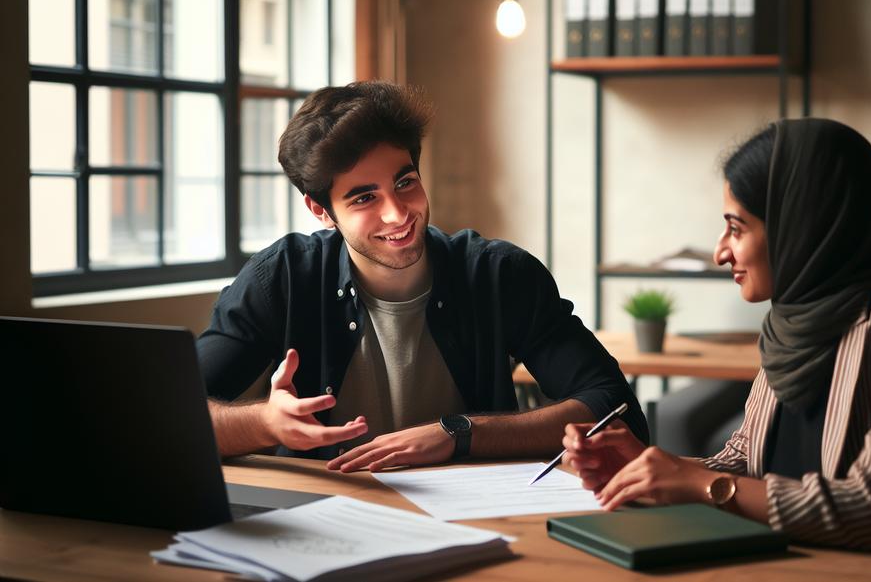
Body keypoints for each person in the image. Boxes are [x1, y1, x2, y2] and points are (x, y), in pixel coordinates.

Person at [562, 119, 871, 581]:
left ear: (802, 223)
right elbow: (744, 463)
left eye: (736, 228)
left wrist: (698, 487)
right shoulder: (789, 322)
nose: (720, 252)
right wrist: (645, 465)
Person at [199, 81, 647, 472]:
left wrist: (460, 433)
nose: (397, 213)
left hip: (473, 518)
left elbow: (616, 410)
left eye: (405, 182)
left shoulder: (497, 274)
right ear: (321, 211)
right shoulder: (282, 277)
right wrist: (264, 423)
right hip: (321, 516)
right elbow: (169, 419)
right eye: (363, 198)